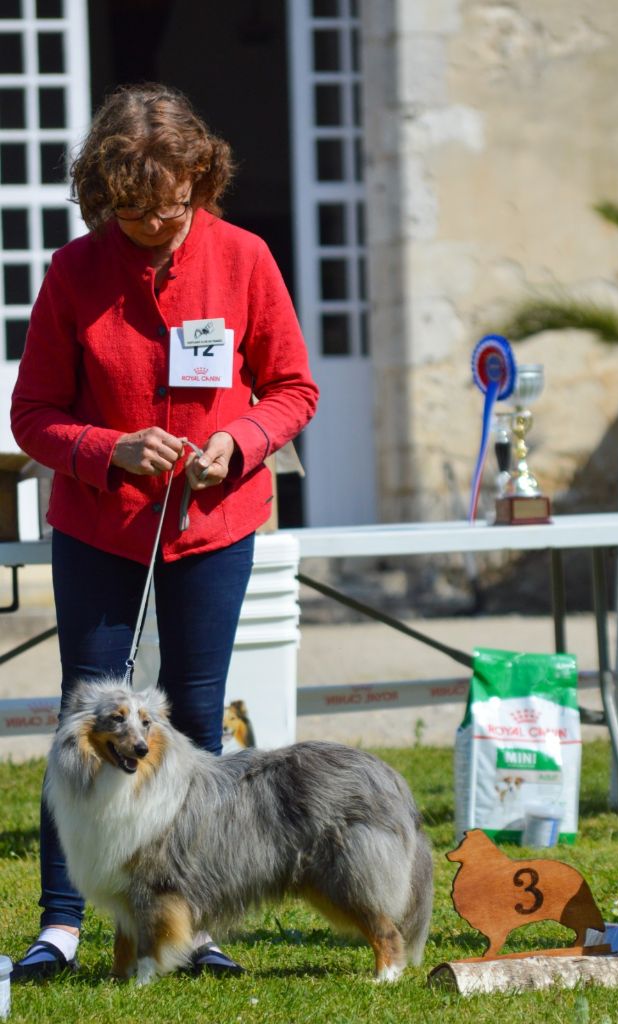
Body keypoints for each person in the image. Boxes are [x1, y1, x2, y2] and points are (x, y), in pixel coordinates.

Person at [10, 83, 319, 980]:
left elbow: (293, 388)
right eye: (134, 211)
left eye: (173, 206)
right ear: (103, 195)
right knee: (86, 722)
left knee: (196, 724)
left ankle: (192, 924)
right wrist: (109, 448)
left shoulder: (247, 258)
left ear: (201, 177)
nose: (156, 225)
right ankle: (62, 923)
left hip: (215, 527)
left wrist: (239, 439)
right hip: (100, 530)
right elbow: (33, 416)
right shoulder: (73, 273)